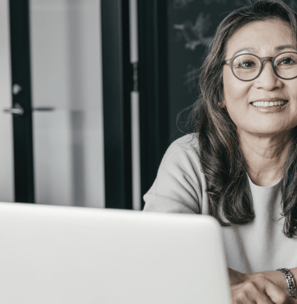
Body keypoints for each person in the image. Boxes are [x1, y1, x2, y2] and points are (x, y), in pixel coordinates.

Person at [143, 0, 297, 303]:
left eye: (288, 61)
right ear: (219, 92)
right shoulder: (188, 157)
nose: (268, 82)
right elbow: (156, 258)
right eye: (246, 64)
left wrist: (271, 281)